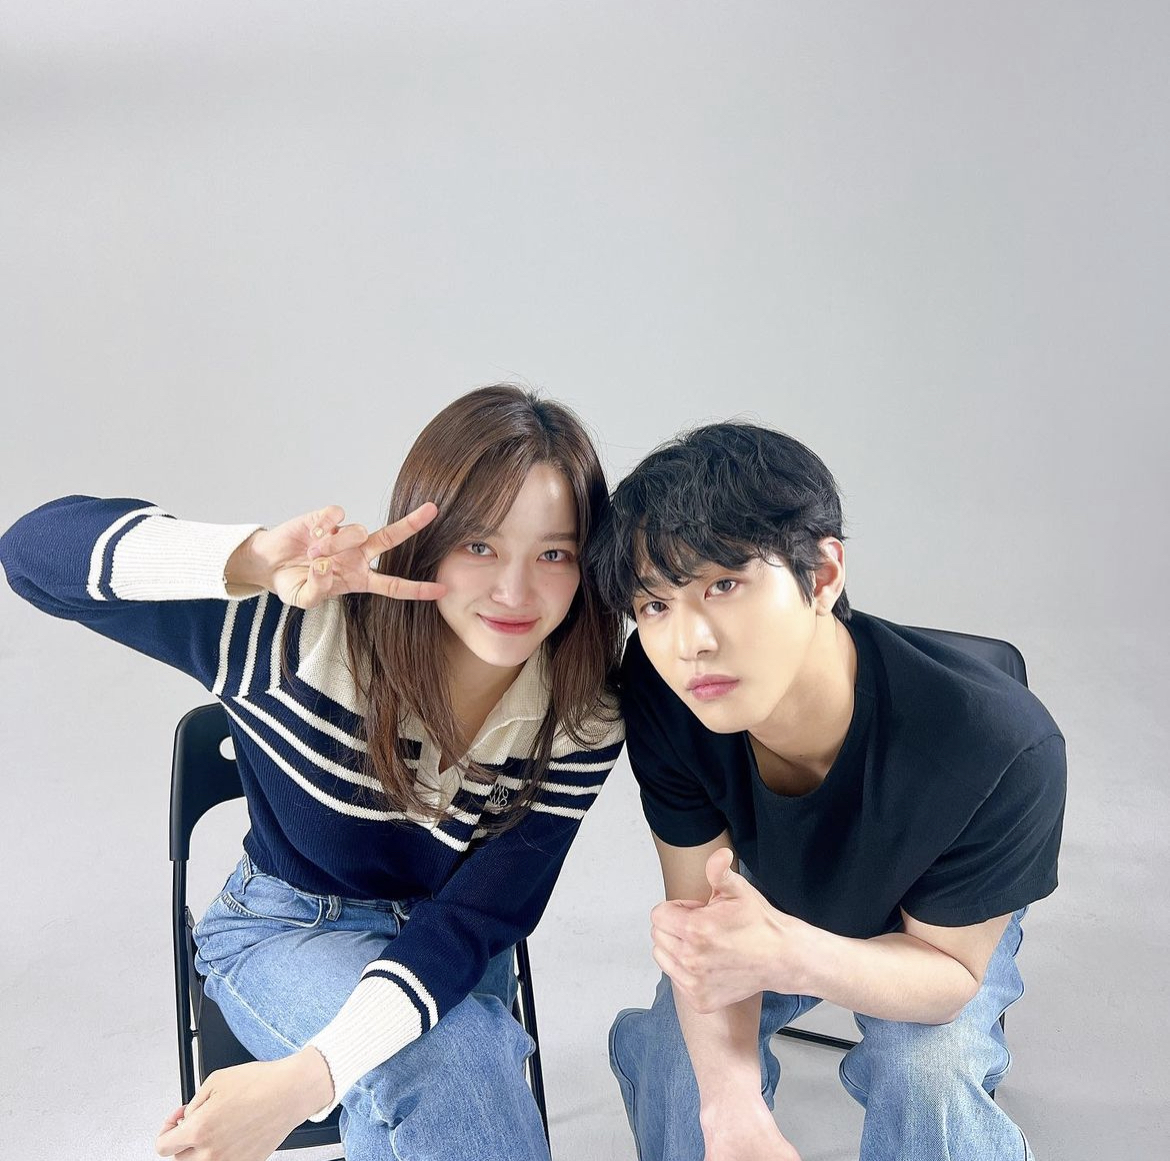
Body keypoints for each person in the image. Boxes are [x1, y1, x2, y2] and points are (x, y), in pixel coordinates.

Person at [0, 384, 625, 1161]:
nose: (515, 590)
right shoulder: (299, 632)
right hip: (289, 927)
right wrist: (249, 560)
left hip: (453, 945)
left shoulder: (582, 711)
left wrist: (306, 1081)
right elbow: (32, 553)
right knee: (448, 1059)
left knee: (439, 1062)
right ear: (428, 539)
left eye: (554, 553)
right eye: (480, 546)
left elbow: (473, 920)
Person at [589, 422, 1065, 1161]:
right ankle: (655, 1056)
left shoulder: (999, 745)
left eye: (723, 584)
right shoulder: (663, 690)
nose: (690, 642)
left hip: (932, 922)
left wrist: (788, 952)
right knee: (687, 1074)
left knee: (928, 1073)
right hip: (770, 889)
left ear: (822, 574)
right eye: (655, 605)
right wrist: (730, 1109)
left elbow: (948, 975)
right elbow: (703, 923)